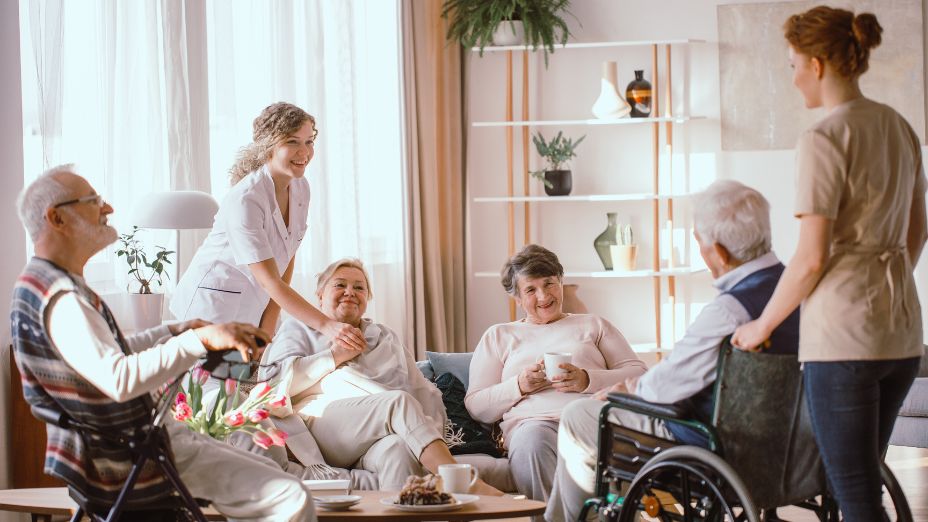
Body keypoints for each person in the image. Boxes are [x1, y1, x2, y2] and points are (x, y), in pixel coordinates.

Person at [11, 165, 316, 522]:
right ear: (56, 218)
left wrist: (176, 330)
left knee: (275, 478)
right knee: (289, 496)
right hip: (133, 450)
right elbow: (119, 378)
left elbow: (113, 350)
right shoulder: (63, 300)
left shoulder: (45, 286)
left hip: (133, 441)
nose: (107, 209)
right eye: (93, 201)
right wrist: (196, 340)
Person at [730, 7, 926, 521]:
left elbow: (811, 257)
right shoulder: (898, 127)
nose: (792, 78)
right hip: (902, 334)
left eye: (793, 64)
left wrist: (760, 326)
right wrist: (889, 283)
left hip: (844, 340)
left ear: (817, 64)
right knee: (858, 485)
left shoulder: (823, 139)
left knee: (853, 491)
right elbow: (918, 229)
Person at [543, 180, 800, 522]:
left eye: (700, 242)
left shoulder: (728, 312)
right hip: (791, 448)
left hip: (714, 445)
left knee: (581, 415)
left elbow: (661, 390)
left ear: (720, 253)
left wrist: (627, 390)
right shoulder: (797, 294)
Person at [259, 258, 503, 495]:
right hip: (324, 427)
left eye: (359, 288)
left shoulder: (384, 336)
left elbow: (419, 387)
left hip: (382, 429)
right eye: (340, 285)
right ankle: (458, 480)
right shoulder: (298, 328)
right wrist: (334, 356)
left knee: (397, 452)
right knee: (398, 401)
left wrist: (428, 431)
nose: (350, 292)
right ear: (320, 295)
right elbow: (274, 384)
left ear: (368, 298)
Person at [170, 102, 365, 353]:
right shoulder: (246, 199)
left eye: (309, 141)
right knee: (212, 391)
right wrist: (327, 325)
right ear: (268, 146)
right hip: (210, 308)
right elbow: (269, 280)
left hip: (254, 303)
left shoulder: (300, 187)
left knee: (250, 387)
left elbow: (287, 255)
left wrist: (268, 326)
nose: (304, 152)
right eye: (293, 142)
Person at [465, 244, 647, 512]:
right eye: (531, 289)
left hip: (590, 420)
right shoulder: (499, 335)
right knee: (532, 442)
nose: (543, 295)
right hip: (533, 426)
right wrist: (519, 386)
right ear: (516, 298)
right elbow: (477, 405)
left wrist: (587, 379)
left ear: (560, 282)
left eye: (549, 283)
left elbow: (640, 376)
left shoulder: (593, 325)